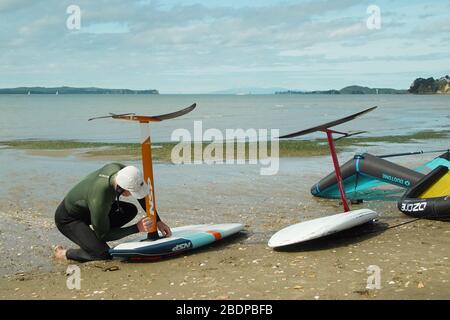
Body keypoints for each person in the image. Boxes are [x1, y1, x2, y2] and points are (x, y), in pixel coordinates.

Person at [53, 163, 171, 262]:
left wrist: (157, 220)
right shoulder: (100, 198)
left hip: (90, 209)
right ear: (120, 188)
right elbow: (104, 235)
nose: (132, 195)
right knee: (102, 255)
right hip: (68, 219)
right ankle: (64, 253)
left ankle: (90, 240)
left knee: (130, 210)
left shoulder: (122, 171)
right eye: (130, 192)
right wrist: (137, 228)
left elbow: (140, 194)